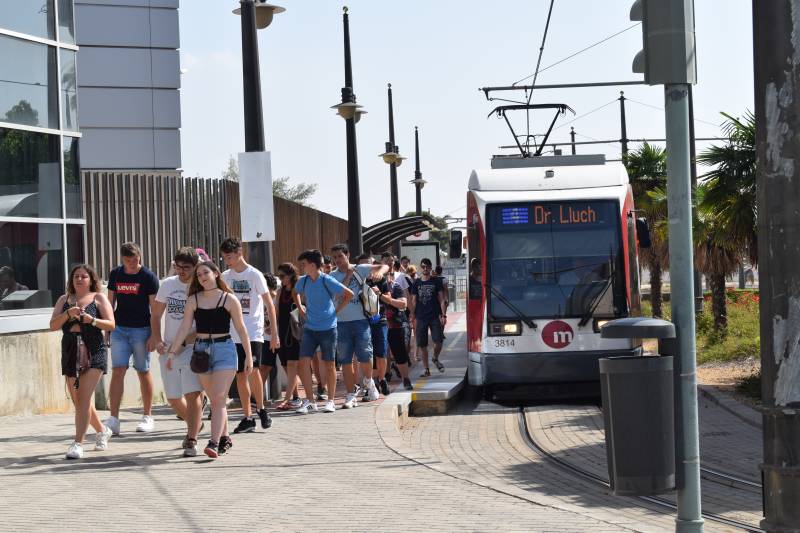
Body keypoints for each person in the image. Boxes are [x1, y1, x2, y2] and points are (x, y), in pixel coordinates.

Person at [168, 261, 253, 458]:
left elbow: (241, 329)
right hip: (201, 351)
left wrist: (249, 356)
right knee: (216, 399)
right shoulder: (193, 300)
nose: (202, 277)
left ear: (216, 273)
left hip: (225, 350)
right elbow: (184, 328)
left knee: (217, 398)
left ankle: (213, 443)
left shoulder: (229, 299)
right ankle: (225, 437)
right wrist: (172, 352)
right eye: (199, 275)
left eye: (205, 272)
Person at [50, 264, 116, 459]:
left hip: (94, 350)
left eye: (84, 276)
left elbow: (111, 323)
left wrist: (92, 321)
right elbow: (53, 325)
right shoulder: (64, 300)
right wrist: (67, 314)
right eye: (76, 276)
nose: (79, 279)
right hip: (70, 349)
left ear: (91, 279)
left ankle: (78, 443)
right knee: (79, 401)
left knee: (84, 399)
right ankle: (103, 430)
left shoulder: (99, 298)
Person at [148, 247, 204, 457]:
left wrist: (181, 344)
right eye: (177, 266)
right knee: (172, 397)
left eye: (186, 268)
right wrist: (158, 340)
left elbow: (203, 324)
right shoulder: (168, 285)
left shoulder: (201, 286)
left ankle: (191, 439)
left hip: (192, 347)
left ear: (196, 266)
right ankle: (195, 425)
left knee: (192, 394)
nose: (181, 271)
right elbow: (155, 316)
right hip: (169, 348)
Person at [220, 237, 279, 433]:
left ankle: (261, 409)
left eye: (229, 257)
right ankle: (248, 417)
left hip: (253, 331)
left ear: (239, 253)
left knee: (252, 370)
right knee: (240, 375)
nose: (227, 261)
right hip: (232, 331)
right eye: (224, 258)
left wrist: (275, 333)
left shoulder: (255, 275)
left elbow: (269, 304)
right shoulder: (225, 276)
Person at [105, 242, 160, 435]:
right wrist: (107, 329)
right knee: (117, 370)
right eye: (127, 260)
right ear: (122, 259)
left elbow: (155, 309)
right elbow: (109, 303)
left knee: (143, 370)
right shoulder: (116, 274)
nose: (131, 263)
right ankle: (113, 419)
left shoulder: (148, 277)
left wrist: (154, 335)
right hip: (119, 329)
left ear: (140, 256)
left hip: (141, 329)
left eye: (134, 259)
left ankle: (147, 415)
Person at [293, 249, 353, 414]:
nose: (302, 268)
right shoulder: (303, 281)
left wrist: (336, 311)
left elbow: (349, 294)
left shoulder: (327, 280)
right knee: (303, 362)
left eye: (304, 265)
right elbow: (295, 292)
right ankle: (310, 401)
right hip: (310, 328)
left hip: (328, 329)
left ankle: (331, 401)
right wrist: (300, 308)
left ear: (312, 265)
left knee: (329, 364)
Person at [330, 244, 389, 408]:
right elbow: (338, 296)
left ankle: (369, 382)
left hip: (361, 321)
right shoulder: (332, 276)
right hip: (341, 323)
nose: (337, 261)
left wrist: (379, 272)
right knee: (345, 360)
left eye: (340, 257)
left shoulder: (361, 268)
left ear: (348, 254)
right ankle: (350, 395)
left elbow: (384, 266)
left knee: (365, 355)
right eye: (334, 258)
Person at [358, 254, 392, 396]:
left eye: (369, 264)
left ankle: (382, 379)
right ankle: (371, 383)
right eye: (363, 265)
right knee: (366, 354)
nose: (366, 268)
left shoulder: (380, 279)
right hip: (362, 320)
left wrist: (380, 295)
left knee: (381, 352)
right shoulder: (356, 281)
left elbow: (389, 299)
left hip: (379, 319)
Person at [409, 258, 447, 376]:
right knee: (423, 345)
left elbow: (441, 299)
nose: (425, 269)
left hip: (435, 316)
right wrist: (412, 315)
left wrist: (443, 315)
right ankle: (426, 369)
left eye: (427, 267)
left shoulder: (436, 281)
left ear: (431, 268)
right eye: (423, 267)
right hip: (421, 317)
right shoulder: (416, 282)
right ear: (421, 268)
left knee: (438, 341)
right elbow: (413, 300)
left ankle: (435, 358)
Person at [274, 263, 303, 410]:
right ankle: (296, 397)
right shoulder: (280, 291)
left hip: (295, 331)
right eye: (279, 276)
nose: (280, 279)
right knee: (286, 365)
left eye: (282, 276)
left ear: (291, 275)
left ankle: (287, 399)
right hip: (282, 330)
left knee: (292, 364)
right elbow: (277, 312)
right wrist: (272, 328)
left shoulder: (299, 289)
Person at [383, 269, 413, 390]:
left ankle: (406, 378)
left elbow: (403, 304)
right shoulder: (371, 288)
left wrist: (386, 299)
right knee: (380, 354)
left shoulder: (396, 287)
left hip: (395, 324)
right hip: (378, 325)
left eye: (386, 276)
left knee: (400, 353)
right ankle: (381, 379)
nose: (384, 279)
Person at [257, 271, 279, 414]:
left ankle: (294, 396)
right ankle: (256, 395)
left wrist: (274, 328)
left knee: (284, 364)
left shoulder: (277, 297)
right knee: (262, 366)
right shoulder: (258, 297)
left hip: (275, 336)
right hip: (262, 336)